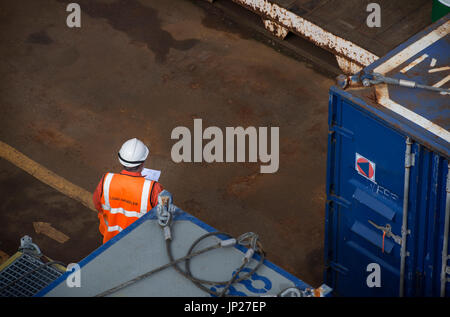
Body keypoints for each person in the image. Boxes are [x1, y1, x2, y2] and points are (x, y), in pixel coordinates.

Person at [93, 138, 164, 244]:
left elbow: (97, 205)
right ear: (142, 163)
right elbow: (162, 216)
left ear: (121, 160)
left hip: (109, 237)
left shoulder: (106, 180)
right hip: (140, 241)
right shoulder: (153, 188)